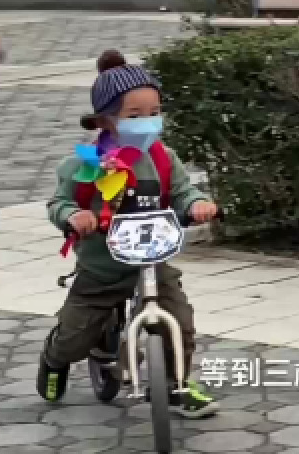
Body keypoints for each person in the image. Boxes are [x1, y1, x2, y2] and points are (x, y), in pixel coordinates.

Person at [37, 49, 221, 419]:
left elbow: (183, 193)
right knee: (75, 335)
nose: (147, 123)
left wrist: (197, 204)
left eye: (154, 113)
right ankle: (54, 358)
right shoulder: (85, 164)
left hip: (151, 262)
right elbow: (59, 203)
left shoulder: (163, 158)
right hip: (102, 268)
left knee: (178, 320)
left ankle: (174, 385)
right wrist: (74, 216)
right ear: (106, 120)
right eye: (134, 116)